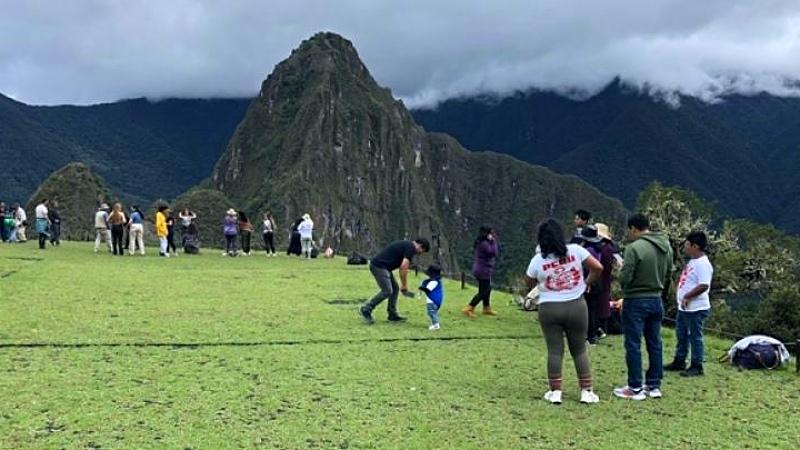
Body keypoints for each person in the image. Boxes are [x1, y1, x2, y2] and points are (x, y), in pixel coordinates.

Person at [525, 219, 602, 405]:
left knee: (554, 351)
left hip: (549, 308)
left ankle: (555, 391)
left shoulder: (538, 260)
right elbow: (598, 268)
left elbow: (528, 281)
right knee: (579, 350)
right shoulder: (576, 250)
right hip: (576, 305)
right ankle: (586, 391)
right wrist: (586, 283)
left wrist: (542, 287)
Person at [613, 213, 673, 401]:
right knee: (655, 343)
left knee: (633, 343)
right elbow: (669, 274)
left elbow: (626, 278)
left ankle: (635, 387)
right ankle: (654, 385)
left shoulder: (634, 248)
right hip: (656, 299)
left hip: (636, 300)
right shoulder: (666, 247)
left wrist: (620, 270)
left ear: (633, 228)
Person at [665, 231, 713, 377]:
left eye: (687, 244)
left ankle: (696, 365)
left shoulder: (703, 264)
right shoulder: (693, 261)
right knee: (682, 335)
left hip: (696, 308)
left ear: (695, 246)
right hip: (685, 307)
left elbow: (704, 285)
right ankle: (679, 360)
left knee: (695, 336)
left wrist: (687, 296)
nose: (685, 246)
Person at [359, 238, 431, 325]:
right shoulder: (411, 248)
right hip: (379, 266)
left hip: (384, 267)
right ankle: (366, 309)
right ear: (420, 246)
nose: (419, 253)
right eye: (422, 251)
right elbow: (403, 267)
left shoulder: (407, 245)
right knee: (387, 291)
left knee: (394, 289)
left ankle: (392, 314)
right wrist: (404, 285)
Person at [462, 226, 500, 318]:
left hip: (483, 269)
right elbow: (493, 253)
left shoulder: (482, 242)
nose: (492, 235)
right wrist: (493, 241)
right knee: (484, 290)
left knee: (486, 288)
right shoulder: (484, 243)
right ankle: (469, 308)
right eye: (491, 233)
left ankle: (486, 308)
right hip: (482, 270)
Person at [593, 223, 619, 338]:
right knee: (601, 303)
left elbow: (607, 266)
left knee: (602, 303)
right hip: (601, 279)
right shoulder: (604, 248)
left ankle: (602, 328)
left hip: (602, 279)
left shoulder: (606, 249)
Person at [420, 264, 444, 330]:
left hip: (433, 301)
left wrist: (422, 287)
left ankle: (436, 325)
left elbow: (428, 289)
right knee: (431, 312)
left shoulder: (434, 282)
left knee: (432, 312)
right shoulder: (436, 281)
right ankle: (434, 323)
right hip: (434, 301)